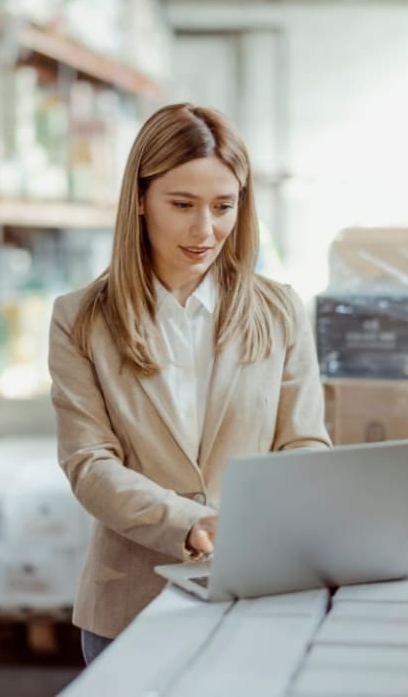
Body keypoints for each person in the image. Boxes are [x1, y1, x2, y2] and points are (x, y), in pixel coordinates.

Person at [48, 103, 331, 665]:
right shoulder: (80, 319)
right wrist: (192, 522)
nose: (206, 231)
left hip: (257, 595)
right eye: (182, 205)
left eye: (223, 206)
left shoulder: (278, 311)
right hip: (128, 605)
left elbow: (305, 445)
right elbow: (90, 464)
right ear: (140, 200)